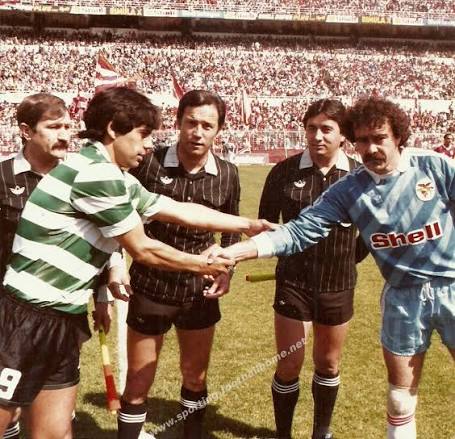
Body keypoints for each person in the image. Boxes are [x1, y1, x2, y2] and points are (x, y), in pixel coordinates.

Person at [0, 87, 270, 438]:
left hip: (63, 316)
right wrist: (207, 264)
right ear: (113, 129)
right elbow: (144, 249)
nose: (148, 145)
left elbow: (175, 209)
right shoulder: (95, 174)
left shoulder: (115, 176)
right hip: (27, 316)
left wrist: (249, 224)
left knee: (54, 434)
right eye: (143, 134)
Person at [211, 96, 455, 439]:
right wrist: (240, 251)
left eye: (379, 138)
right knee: (400, 401)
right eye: (363, 140)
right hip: (403, 298)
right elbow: (298, 231)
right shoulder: (349, 189)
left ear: (398, 136)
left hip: (452, 286)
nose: (371, 148)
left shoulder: (434, 166)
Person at [117, 90, 240, 439]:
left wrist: (227, 268)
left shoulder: (228, 173)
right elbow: (117, 216)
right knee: (138, 380)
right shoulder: (149, 162)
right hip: (151, 284)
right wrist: (115, 263)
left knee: (195, 376)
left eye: (207, 126)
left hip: (199, 290)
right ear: (178, 122)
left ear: (219, 130)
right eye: (191, 123)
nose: (197, 132)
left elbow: (230, 227)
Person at [258, 99, 367, 439]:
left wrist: (347, 258)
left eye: (326, 129)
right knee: (289, 363)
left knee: (328, 364)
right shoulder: (283, 172)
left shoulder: (360, 176)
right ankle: (283, 435)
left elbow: (372, 231)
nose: (317, 136)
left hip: (338, 284)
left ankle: (322, 432)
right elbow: (264, 225)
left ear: (343, 135)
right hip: (293, 283)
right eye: (311, 128)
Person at [0, 93, 72, 439]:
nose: (64, 135)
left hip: (60, 314)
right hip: (7, 314)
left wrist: (105, 291)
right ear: (27, 131)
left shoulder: (78, 180)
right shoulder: (1, 176)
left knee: (52, 429)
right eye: (54, 127)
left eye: (68, 126)